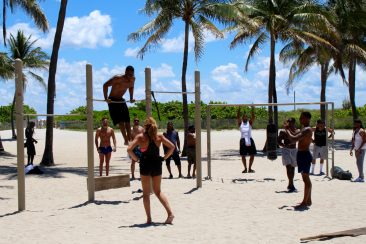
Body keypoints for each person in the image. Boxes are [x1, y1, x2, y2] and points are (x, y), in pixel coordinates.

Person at [127, 117, 175, 224]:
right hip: (157, 163)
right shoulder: (159, 136)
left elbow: (129, 149)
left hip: (145, 164)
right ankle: (170, 213)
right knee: (158, 191)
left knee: (146, 193)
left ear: (145, 126)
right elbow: (172, 147)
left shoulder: (140, 137)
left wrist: (136, 159)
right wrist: (164, 158)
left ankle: (149, 219)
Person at [285, 111, 313, 209]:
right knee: (306, 178)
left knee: (306, 179)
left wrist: (287, 130)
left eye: (302, 117)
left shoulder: (307, 129)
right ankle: (308, 200)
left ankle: (305, 202)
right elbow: (295, 134)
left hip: (304, 155)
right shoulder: (304, 129)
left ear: (307, 118)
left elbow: (293, 139)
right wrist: (289, 129)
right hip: (301, 154)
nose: (300, 119)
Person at [103, 65, 135, 145]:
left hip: (121, 100)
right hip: (112, 100)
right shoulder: (117, 78)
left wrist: (131, 98)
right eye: (128, 74)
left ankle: (130, 138)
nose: (129, 76)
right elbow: (105, 85)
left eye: (131, 75)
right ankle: (125, 140)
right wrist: (106, 98)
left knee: (127, 121)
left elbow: (131, 87)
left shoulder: (132, 79)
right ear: (125, 72)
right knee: (120, 122)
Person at [278, 118, 298, 192]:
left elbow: (296, 139)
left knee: (293, 168)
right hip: (286, 150)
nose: (290, 124)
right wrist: (283, 145)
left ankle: (290, 183)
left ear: (294, 123)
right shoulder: (283, 131)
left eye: (291, 122)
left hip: (294, 150)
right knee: (288, 167)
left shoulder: (296, 131)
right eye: (288, 122)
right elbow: (278, 140)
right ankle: (291, 183)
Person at [237, 107, 257, 173]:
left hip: (250, 139)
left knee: (252, 154)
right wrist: (239, 109)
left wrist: (252, 109)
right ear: (242, 118)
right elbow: (237, 117)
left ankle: (250, 168)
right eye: (244, 117)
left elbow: (253, 117)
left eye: (246, 117)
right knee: (243, 155)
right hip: (243, 140)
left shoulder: (249, 123)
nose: (245, 117)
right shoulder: (240, 124)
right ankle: (245, 168)